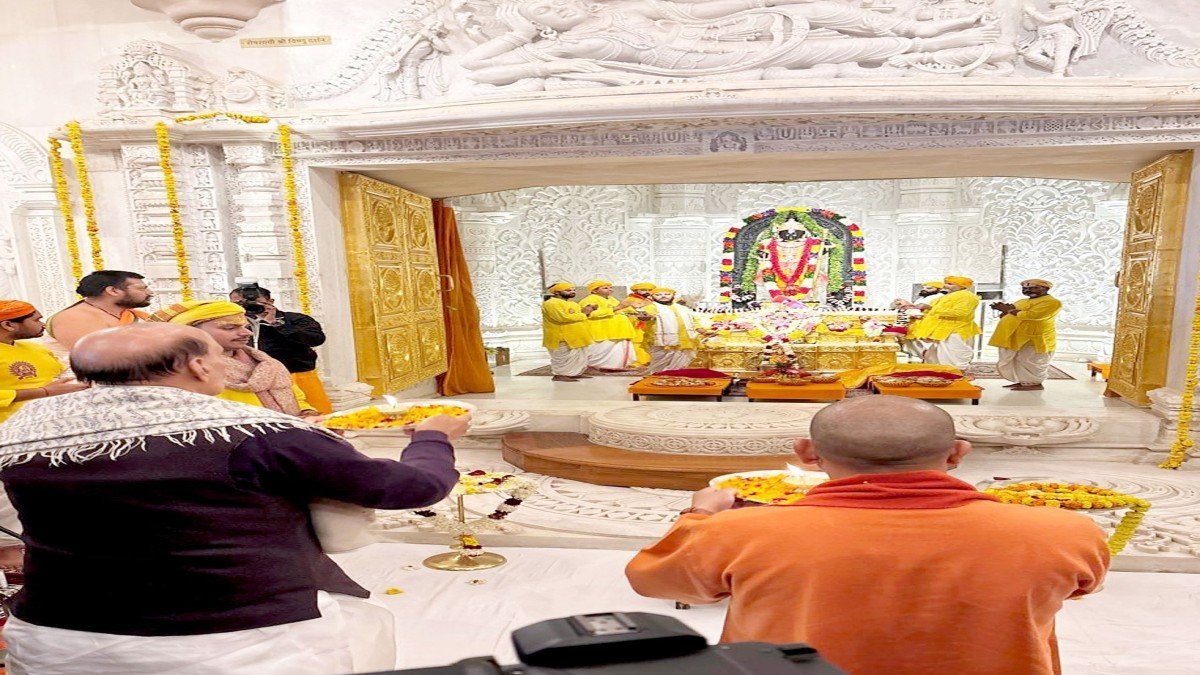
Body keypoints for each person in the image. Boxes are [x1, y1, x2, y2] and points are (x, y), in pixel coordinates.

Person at [0, 323, 469, 674]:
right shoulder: (255, 432)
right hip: (237, 639)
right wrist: (433, 438)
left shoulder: (21, 430)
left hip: (58, 635)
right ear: (199, 366)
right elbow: (409, 487)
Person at [626, 396, 1109, 675]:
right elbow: (1080, 587)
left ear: (806, 454)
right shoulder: (1062, 533)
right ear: (958, 453)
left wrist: (700, 514)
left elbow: (652, 580)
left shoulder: (739, 533)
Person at [149, 300, 317, 417]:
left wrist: (308, 414)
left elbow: (296, 398)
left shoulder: (265, 362)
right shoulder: (179, 372)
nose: (247, 333)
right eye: (230, 328)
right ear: (190, 331)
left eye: (246, 327)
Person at [229, 285, 332, 414]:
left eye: (255, 302)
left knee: (316, 416)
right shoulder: (235, 325)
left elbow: (316, 339)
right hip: (253, 380)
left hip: (297, 376)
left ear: (270, 301)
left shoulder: (294, 319)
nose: (247, 307)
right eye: (239, 304)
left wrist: (276, 323)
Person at [0, 300, 89, 424]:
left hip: (60, 418)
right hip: (15, 427)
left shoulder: (35, 348)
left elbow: (61, 376)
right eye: (36, 320)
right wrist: (44, 392)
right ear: (8, 325)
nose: (43, 325)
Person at [45, 270, 153, 351]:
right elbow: (97, 357)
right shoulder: (73, 318)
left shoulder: (129, 314)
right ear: (113, 291)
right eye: (141, 288)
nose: (150, 292)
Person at [989, 279, 1062, 391]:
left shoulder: (1052, 302)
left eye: (1033, 288)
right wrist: (1003, 310)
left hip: (1035, 338)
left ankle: (1034, 383)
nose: (1028, 290)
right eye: (1025, 288)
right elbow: (1009, 313)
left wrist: (1009, 310)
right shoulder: (1022, 301)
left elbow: (1034, 315)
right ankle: (1024, 382)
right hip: (1016, 337)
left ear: (1046, 288)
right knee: (1018, 360)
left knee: (1032, 360)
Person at [906, 275, 981, 369]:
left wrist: (930, 308)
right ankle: (944, 374)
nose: (946, 286)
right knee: (937, 357)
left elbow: (961, 313)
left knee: (955, 357)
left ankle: (957, 375)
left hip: (955, 330)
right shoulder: (945, 297)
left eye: (950, 284)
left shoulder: (968, 296)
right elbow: (932, 310)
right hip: (942, 331)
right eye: (946, 283)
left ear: (962, 286)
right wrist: (912, 307)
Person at [580, 279, 637, 372]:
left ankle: (615, 366)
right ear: (594, 291)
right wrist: (617, 308)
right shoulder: (589, 300)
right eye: (605, 288)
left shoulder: (611, 299)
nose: (610, 289)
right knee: (602, 348)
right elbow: (590, 314)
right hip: (602, 330)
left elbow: (620, 309)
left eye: (610, 287)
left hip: (617, 330)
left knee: (617, 350)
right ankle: (599, 366)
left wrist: (632, 308)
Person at [541, 282, 594, 382]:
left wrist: (588, 311)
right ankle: (559, 375)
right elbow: (562, 318)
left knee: (579, 356)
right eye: (568, 290)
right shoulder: (551, 303)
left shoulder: (573, 304)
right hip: (561, 336)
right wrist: (584, 313)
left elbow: (580, 316)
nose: (572, 292)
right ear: (556, 292)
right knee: (562, 358)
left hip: (577, 336)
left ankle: (575, 373)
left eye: (573, 290)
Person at [643, 287, 699, 372]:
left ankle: (674, 377)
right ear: (652, 296)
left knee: (681, 364)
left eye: (667, 294)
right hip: (663, 343)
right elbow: (645, 316)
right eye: (658, 295)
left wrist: (701, 329)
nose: (663, 296)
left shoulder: (683, 308)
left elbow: (694, 320)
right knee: (660, 365)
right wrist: (645, 317)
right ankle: (658, 377)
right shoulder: (651, 307)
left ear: (673, 295)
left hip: (685, 341)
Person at [894, 280, 946, 360]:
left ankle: (932, 364)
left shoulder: (939, 297)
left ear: (938, 289)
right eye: (923, 288)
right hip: (916, 326)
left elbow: (921, 312)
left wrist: (908, 306)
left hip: (928, 327)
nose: (924, 289)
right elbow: (915, 308)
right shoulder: (923, 298)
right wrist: (906, 305)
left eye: (929, 288)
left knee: (930, 349)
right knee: (919, 349)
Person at [624, 282, 657, 366]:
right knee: (637, 342)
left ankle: (648, 361)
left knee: (648, 342)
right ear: (636, 291)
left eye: (649, 290)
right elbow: (624, 311)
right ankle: (637, 362)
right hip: (636, 324)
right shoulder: (630, 300)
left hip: (651, 324)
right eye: (643, 290)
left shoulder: (652, 300)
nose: (647, 292)